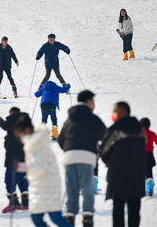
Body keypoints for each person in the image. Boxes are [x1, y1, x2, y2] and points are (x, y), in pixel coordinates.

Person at [58, 90, 107, 226]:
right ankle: (87, 215)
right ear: (89, 101)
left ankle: (70, 215)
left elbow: (61, 139)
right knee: (87, 187)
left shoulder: (69, 120)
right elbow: (105, 136)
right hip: (86, 156)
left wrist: (69, 149)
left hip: (69, 156)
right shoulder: (92, 118)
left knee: (71, 187)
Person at [14, 115, 71, 227]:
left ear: (26, 130)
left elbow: (40, 168)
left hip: (48, 188)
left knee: (55, 218)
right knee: (38, 218)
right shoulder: (33, 144)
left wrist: (22, 167)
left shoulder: (38, 144)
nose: (21, 138)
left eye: (20, 134)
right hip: (41, 188)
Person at [101, 102, 146, 227]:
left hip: (118, 175)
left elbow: (104, 151)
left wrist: (111, 163)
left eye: (115, 110)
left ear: (123, 111)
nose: (114, 113)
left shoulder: (115, 130)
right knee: (134, 211)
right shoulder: (140, 130)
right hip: (136, 175)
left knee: (118, 210)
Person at [0, 107, 29, 213]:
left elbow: (6, 126)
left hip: (13, 157)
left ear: (12, 113)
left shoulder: (14, 119)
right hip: (23, 156)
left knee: (9, 179)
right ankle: (25, 203)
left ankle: (13, 202)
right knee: (22, 179)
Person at [139, 117, 157, 196]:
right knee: (149, 171)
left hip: (140, 155)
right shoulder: (152, 133)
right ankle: (150, 184)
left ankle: (141, 189)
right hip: (149, 155)